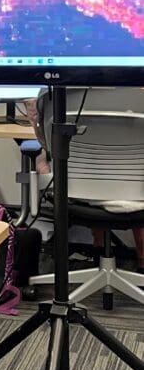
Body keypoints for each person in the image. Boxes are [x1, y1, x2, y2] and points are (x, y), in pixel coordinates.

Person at [28, 89, 144, 274]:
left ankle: (96, 251)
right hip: (136, 190)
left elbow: (46, 141)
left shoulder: (52, 91)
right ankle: (142, 260)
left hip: (76, 188)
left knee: (59, 160)